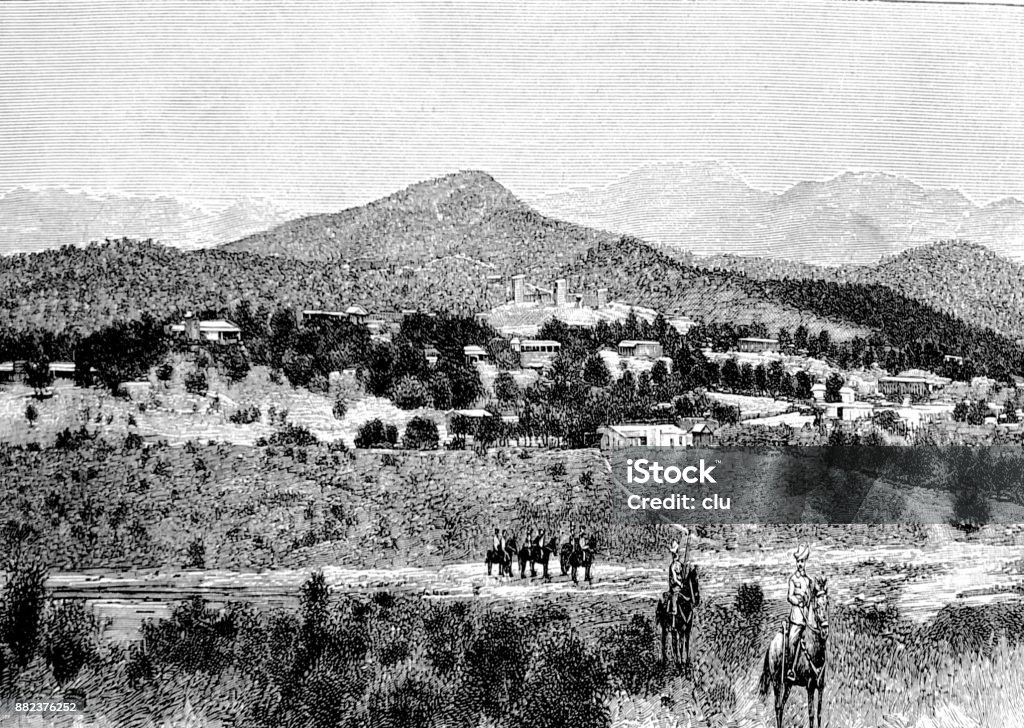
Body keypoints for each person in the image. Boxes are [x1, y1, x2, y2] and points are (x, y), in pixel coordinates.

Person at [786, 543, 812, 681]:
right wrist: (798, 601)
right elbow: (789, 596)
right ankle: (790, 669)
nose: (800, 564)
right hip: (796, 618)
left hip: (807, 619)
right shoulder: (793, 579)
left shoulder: (809, 581)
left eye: (802, 561)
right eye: (798, 561)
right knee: (792, 641)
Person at [667, 540, 685, 616]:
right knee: (673, 593)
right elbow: (674, 578)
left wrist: (681, 583)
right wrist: (680, 583)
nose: (676, 555)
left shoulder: (679, 564)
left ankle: (675, 610)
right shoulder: (673, 566)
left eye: (676, 553)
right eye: (674, 554)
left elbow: (680, 575)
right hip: (677, 584)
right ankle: (674, 609)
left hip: (679, 584)